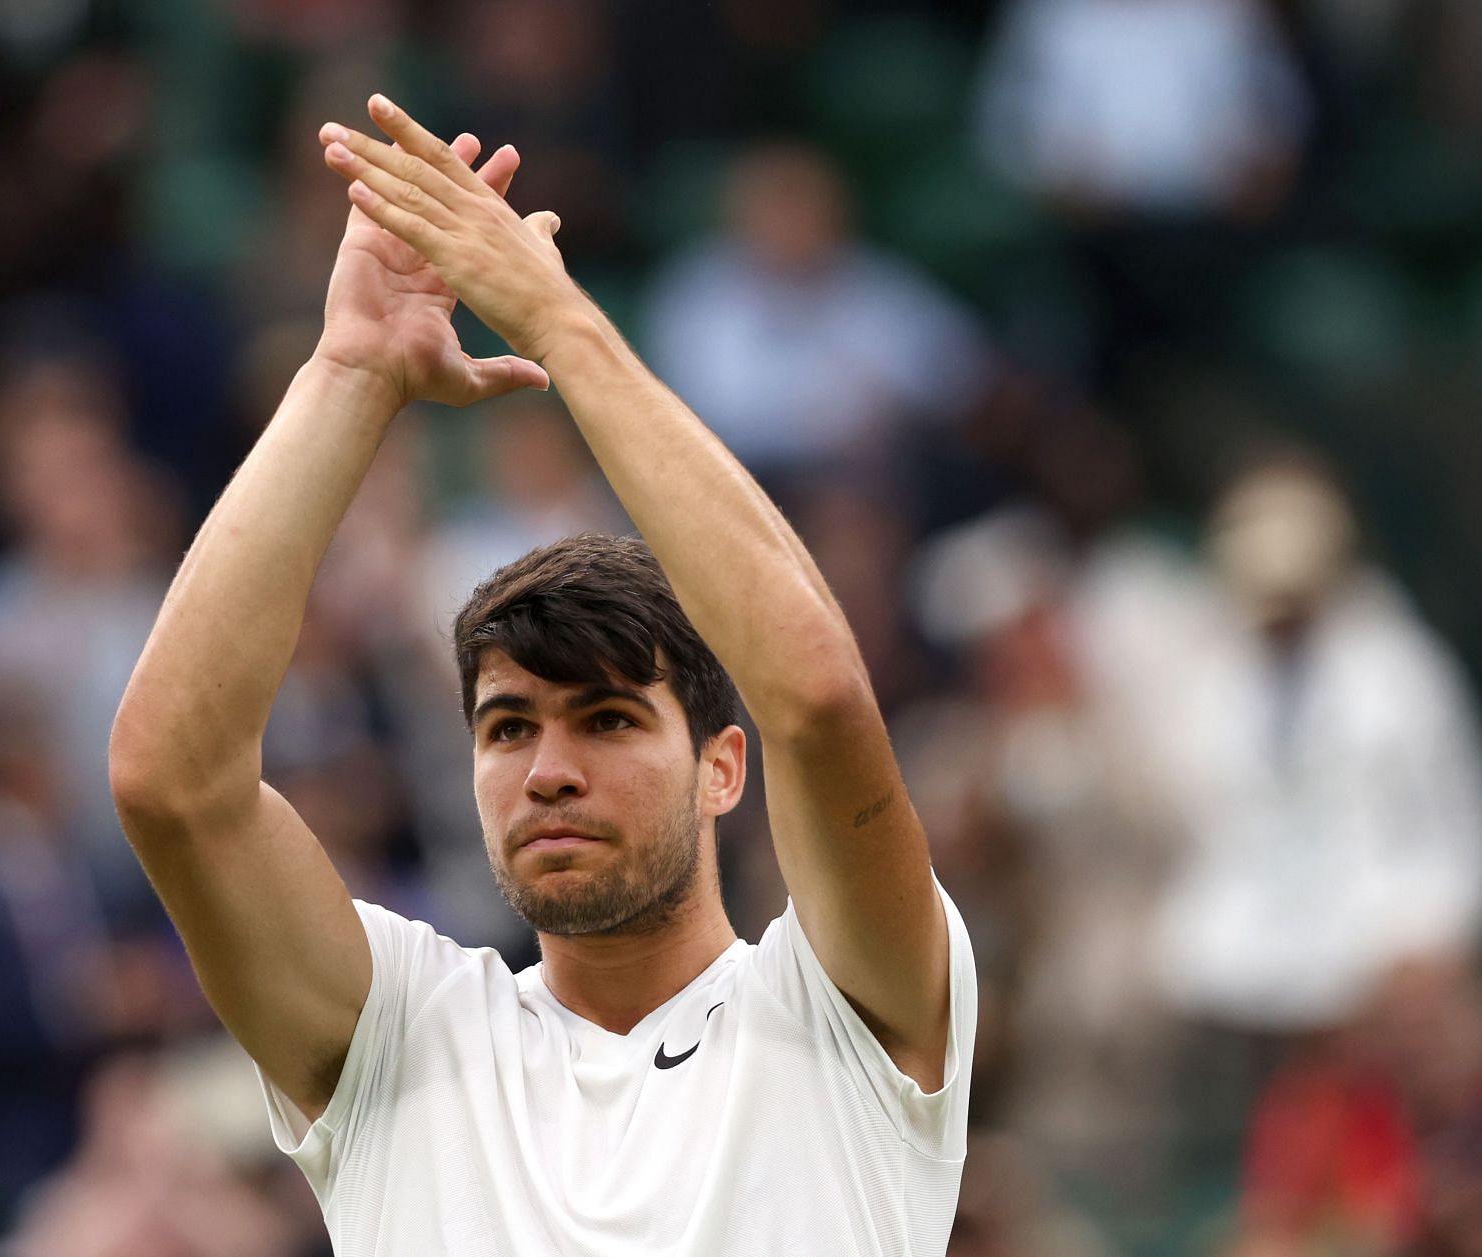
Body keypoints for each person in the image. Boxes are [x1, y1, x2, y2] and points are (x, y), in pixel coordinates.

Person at [108, 94, 976, 1255]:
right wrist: (351, 369)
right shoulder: (403, 1035)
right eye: (508, 729)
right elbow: (171, 782)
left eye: (609, 719)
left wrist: (563, 328)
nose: (550, 771)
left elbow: (816, 696)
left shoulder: (842, 1007)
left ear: (725, 769)